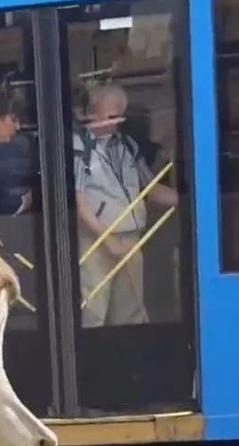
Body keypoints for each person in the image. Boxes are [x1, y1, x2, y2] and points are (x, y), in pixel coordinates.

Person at [73, 82, 178, 328]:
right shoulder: (79, 150)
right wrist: (107, 240)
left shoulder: (127, 146)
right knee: (94, 313)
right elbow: (80, 204)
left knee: (130, 315)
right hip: (96, 242)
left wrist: (189, 200)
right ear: (91, 113)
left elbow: (150, 189)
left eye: (119, 116)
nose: (115, 123)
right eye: (109, 116)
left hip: (131, 240)